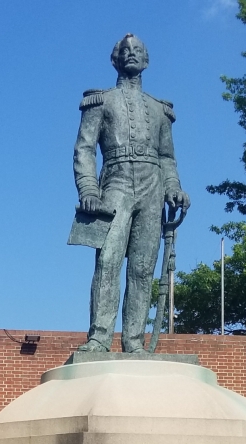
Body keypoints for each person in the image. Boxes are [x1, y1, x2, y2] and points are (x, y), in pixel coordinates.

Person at [72, 34, 189, 354]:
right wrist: (88, 189)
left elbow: (167, 157)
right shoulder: (100, 101)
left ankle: (134, 340)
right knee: (108, 261)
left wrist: (173, 187)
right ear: (116, 59)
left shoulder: (160, 110)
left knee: (141, 268)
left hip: (152, 186)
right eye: (126, 50)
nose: (132, 54)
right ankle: (99, 336)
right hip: (116, 183)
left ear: (147, 60)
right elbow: (84, 150)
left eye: (138, 51)